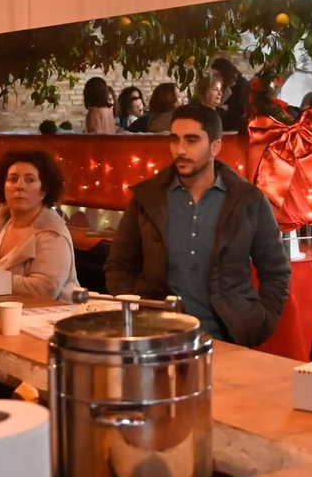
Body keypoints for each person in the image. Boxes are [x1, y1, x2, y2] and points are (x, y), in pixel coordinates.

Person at [106, 104, 290, 347]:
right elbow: (118, 266)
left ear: (215, 146)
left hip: (226, 339)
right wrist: (139, 313)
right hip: (157, 338)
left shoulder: (247, 200)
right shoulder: (148, 198)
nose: (180, 150)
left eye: (191, 141)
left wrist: (259, 323)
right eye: (174, 140)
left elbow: (276, 271)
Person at [0, 150, 80, 302]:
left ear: (44, 190)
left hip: (46, 319)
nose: (20, 186)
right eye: (13, 179)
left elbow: (43, 290)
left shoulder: (53, 233)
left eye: (29, 180)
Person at [211, 57, 247, 131]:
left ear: (224, 73)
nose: (216, 78)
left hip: (233, 127)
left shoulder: (241, 84)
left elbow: (240, 108)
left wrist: (226, 108)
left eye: (217, 75)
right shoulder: (222, 84)